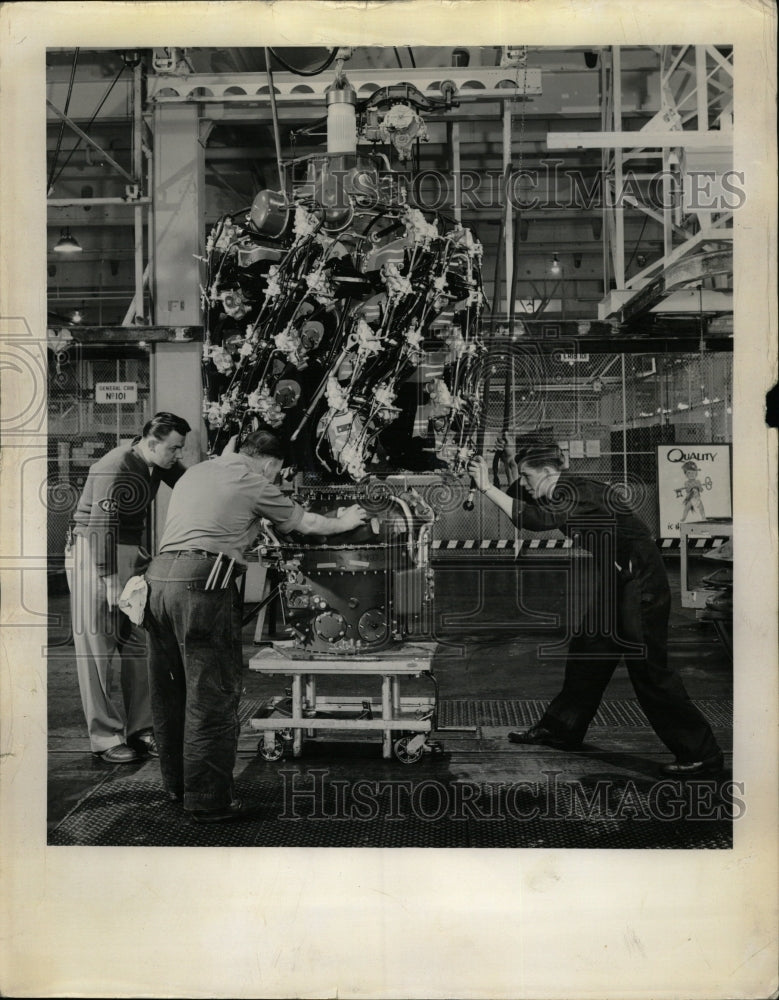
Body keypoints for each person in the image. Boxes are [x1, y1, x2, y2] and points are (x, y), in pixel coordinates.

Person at [144, 429, 368, 823]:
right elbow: (308, 524)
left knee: (170, 692)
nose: (276, 480)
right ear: (270, 464)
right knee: (210, 693)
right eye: (278, 474)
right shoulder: (252, 479)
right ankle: (209, 800)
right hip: (202, 582)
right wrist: (345, 519)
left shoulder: (197, 472)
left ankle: (178, 787)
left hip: (158, 581)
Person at [467, 444, 724, 776]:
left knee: (649, 671)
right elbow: (527, 498)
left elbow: (533, 517)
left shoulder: (574, 492)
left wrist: (486, 487)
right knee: (589, 652)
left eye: (529, 476)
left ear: (547, 472)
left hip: (641, 581)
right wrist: (505, 460)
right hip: (620, 578)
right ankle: (562, 728)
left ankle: (702, 754)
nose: (526, 484)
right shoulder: (562, 487)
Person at [67, 412, 191, 763]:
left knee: (138, 642)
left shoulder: (158, 462)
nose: (177, 455)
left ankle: (140, 729)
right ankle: (105, 737)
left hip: (127, 551)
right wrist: (109, 580)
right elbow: (99, 526)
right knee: (97, 647)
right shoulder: (117, 464)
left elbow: (190, 482)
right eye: (174, 448)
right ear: (152, 443)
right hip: (94, 551)